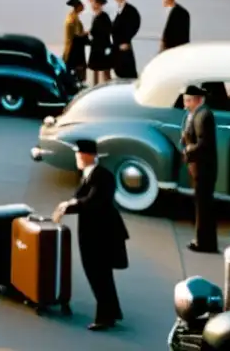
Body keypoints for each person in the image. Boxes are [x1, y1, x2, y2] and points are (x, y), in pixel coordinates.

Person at [52, 138, 129, 331]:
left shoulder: (103, 176)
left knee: (99, 276)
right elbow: (79, 197)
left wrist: (69, 206)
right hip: (92, 235)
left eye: (79, 153)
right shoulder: (88, 174)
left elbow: (93, 202)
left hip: (102, 236)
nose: (77, 157)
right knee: (99, 275)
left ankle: (105, 318)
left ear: (89, 155)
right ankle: (112, 311)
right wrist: (66, 206)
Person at [181, 85, 218, 253]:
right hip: (198, 168)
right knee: (201, 205)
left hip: (204, 168)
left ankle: (204, 243)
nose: (186, 104)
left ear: (197, 100)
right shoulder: (195, 114)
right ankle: (203, 240)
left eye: (188, 101)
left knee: (204, 207)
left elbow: (204, 143)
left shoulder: (204, 116)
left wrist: (189, 149)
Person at [111, 0, 140, 78]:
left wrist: (127, 40)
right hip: (117, 45)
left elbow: (135, 24)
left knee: (127, 70)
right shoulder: (119, 9)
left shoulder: (130, 10)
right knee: (119, 69)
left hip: (124, 45)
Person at [86, 0, 112, 86]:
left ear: (98, 3)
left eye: (93, 2)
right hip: (96, 49)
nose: (92, 5)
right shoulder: (95, 17)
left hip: (103, 49)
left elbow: (107, 31)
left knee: (106, 75)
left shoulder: (104, 17)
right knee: (96, 74)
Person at [62, 0, 88, 82]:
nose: (84, 6)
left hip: (73, 50)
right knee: (76, 77)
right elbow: (78, 36)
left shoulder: (73, 17)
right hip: (74, 52)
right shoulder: (73, 19)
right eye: (82, 5)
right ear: (78, 6)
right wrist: (88, 33)